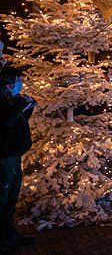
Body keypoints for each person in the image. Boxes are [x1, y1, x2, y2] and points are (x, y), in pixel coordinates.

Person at [0, 67, 35, 251]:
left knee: (12, 195)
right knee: (3, 196)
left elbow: (17, 120)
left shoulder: (12, 99)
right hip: (5, 156)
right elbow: (5, 121)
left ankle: (8, 233)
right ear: (8, 82)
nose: (20, 83)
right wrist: (20, 103)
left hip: (14, 154)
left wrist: (28, 107)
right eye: (18, 80)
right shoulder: (4, 99)